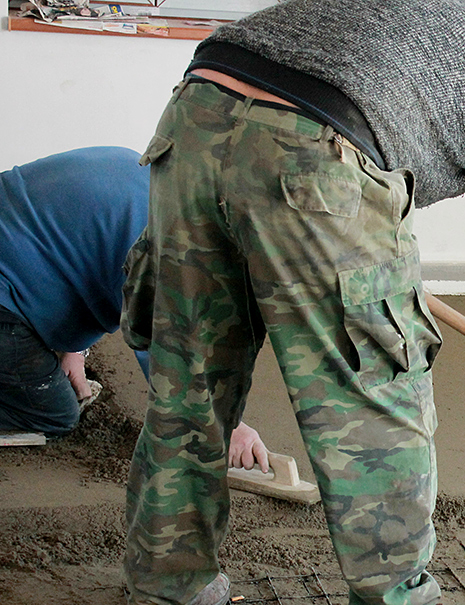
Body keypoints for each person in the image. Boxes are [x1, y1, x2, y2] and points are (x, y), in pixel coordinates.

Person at [121, 0, 465, 605]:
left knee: (190, 376)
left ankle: (162, 587)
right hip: (314, 155)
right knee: (375, 395)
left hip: (193, 122)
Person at [0, 146, 268, 468]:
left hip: (13, 249)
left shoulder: (156, 175)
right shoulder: (167, 241)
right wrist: (225, 426)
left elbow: (84, 245)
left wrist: (74, 350)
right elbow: (165, 351)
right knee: (53, 413)